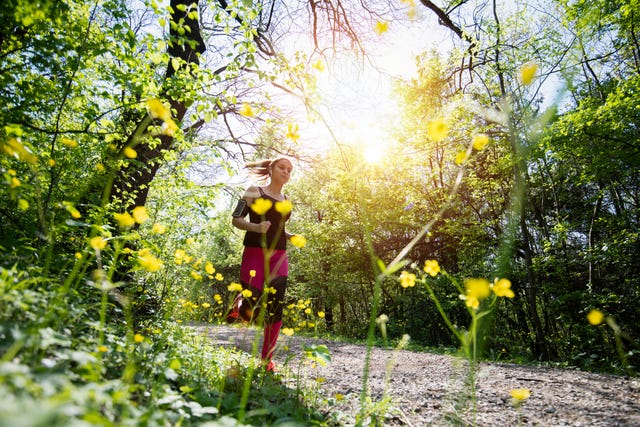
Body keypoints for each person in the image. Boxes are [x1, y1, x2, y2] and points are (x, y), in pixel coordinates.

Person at [228, 157, 295, 372]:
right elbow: (236, 219)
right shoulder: (253, 191)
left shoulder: (286, 200)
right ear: (271, 169)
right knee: (251, 306)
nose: (286, 171)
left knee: (276, 306)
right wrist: (256, 228)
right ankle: (239, 304)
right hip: (255, 252)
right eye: (282, 167)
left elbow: (276, 227)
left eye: (289, 169)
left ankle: (267, 360)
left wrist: (288, 234)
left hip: (279, 255)